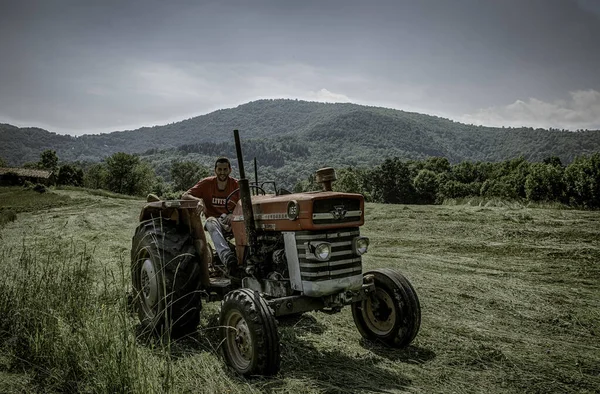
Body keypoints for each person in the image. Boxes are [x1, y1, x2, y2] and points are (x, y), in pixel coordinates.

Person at [182, 157, 239, 270]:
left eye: (225, 169)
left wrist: (233, 214)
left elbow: (243, 203)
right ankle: (227, 257)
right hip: (215, 219)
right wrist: (199, 200)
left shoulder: (235, 184)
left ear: (230, 170)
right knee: (210, 222)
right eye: (219, 169)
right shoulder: (207, 183)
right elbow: (184, 196)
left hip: (232, 219)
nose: (222, 173)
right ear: (215, 170)